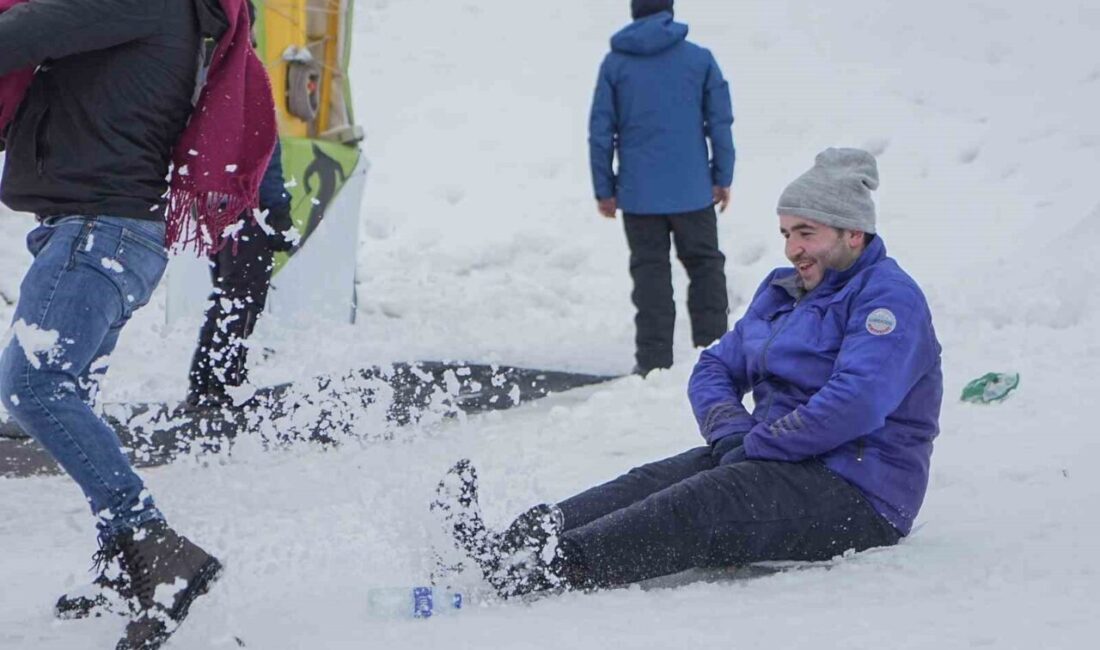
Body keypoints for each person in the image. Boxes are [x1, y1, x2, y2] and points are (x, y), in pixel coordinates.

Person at [434, 148, 944, 598]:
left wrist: (761, 445)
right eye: (787, 233)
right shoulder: (785, 291)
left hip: (858, 491)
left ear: (853, 232)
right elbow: (715, 366)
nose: (792, 249)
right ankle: (514, 543)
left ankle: (544, 569)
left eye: (806, 233)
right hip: (778, 459)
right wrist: (730, 432)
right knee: (651, 481)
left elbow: (857, 400)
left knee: (702, 503)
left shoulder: (887, 298)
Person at [0, 1, 276, 647]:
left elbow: (16, 35)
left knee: (34, 383)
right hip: (103, 229)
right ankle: (124, 565)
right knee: (70, 394)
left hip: (101, 227)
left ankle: (153, 545)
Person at [589, 0, 735, 375]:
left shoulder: (616, 64)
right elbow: (719, 123)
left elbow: (601, 131)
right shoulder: (699, 59)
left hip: (638, 195)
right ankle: (716, 355)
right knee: (704, 268)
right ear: (669, 10)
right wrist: (722, 177)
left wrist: (604, 188)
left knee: (650, 274)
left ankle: (653, 365)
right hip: (693, 191)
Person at [186, 120, 296, 409]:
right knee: (243, 298)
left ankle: (204, 381)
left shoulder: (212, 91)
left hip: (214, 205)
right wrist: (278, 211)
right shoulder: (250, 91)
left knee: (226, 295)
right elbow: (265, 155)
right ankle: (227, 383)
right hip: (249, 207)